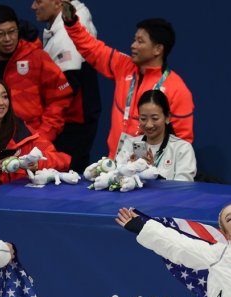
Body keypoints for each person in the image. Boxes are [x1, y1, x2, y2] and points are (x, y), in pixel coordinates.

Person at [60, 4, 194, 157]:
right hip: (117, 164)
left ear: (158, 49)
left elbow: (183, 140)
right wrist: (72, 24)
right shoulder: (123, 66)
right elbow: (93, 49)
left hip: (152, 173)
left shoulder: (177, 89)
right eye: (134, 40)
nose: (133, 46)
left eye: (140, 41)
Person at [0, 4, 73, 144]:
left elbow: (60, 99)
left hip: (31, 144)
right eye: (0, 34)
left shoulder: (38, 59)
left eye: (12, 31)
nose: (8, 39)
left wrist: (43, 137)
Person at [31, 0, 102, 172]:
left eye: (39, 1)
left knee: (66, 174)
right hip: (79, 117)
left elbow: (68, 86)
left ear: (57, 4)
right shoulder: (73, 18)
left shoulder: (65, 37)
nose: (33, 6)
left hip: (72, 121)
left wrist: (48, 127)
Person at [114, 90, 196, 181]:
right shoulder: (130, 144)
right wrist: (129, 170)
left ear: (167, 117)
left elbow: (182, 188)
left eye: (155, 118)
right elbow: (114, 177)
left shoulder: (182, 149)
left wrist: (153, 173)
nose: (149, 125)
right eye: (143, 118)